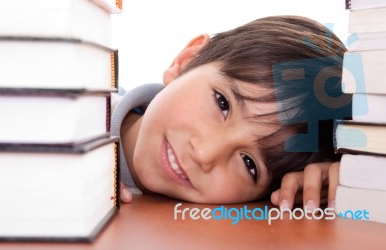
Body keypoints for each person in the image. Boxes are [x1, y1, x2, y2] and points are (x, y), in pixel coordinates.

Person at [111, 15, 351, 210]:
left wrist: (352, 178)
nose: (205, 154)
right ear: (187, 60)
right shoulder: (78, 106)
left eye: (250, 165)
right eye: (222, 103)